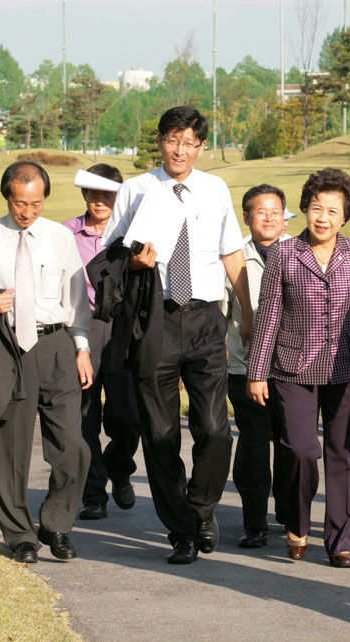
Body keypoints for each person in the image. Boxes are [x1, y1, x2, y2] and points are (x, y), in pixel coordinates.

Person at [101, 106, 253, 564]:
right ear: (160, 141)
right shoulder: (135, 190)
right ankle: (181, 530)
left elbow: (231, 252)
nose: (180, 150)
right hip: (155, 321)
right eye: (172, 140)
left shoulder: (215, 188)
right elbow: (110, 257)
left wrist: (248, 312)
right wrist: (133, 263)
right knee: (161, 433)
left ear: (201, 147)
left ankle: (202, 507)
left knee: (213, 428)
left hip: (206, 318)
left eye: (190, 142)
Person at [246, 167, 350, 569]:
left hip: (347, 368)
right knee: (299, 449)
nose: (323, 217)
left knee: (342, 454)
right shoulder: (283, 253)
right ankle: (296, 523)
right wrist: (257, 371)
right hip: (292, 368)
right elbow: (269, 316)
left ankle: (341, 539)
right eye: (316, 208)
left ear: (344, 216)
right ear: (305, 210)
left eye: (332, 210)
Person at [0, 160, 92, 563]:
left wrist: (82, 347)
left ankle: (56, 524)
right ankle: (20, 537)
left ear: (44, 198)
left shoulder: (60, 238)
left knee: (72, 446)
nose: (27, 212)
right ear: (7, 197)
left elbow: (77, 300)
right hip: (5, 346)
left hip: (56, 347)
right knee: (7, 449)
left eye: (36, 203)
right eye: (19, 203)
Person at [63, 163, 141, 521]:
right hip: (83, 327)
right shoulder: (66, 234)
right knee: (85, 417)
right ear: (84, 195)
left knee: (127, 417)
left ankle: (120, 468)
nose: (100, 201)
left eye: (107, 194)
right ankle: (94, 494)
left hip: (124, 329)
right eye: (93, 193)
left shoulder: (131, 233)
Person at [221, 184, 291, 548]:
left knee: (292, 445)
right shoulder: (233, 257)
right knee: (253, 447)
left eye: (275, 212)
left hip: (294, 371)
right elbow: (219, 314)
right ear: (246, 217)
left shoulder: (300, 252)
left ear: (285, 216)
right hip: (245, 369)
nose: (268, 219)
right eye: (260, 212)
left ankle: (290, 512)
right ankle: (254, 522)